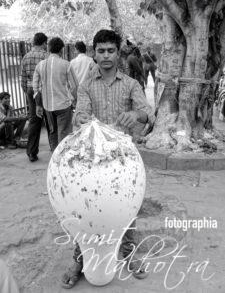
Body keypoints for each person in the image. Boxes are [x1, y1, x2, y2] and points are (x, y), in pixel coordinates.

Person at [61, 29, 155, 289]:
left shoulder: (131, 84)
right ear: (94, 54)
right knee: (85, 210)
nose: (105, 55)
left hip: (123, 163)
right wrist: (79, 120)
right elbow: (80, 115)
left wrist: (137, 116)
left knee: (128, 209)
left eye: (110, 50)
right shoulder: (86, 85)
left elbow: (149, 114)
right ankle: (80, 258)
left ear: (118, 53)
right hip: (92, 163)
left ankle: (128, 252)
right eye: (100, 51)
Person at [33, 37, 78, 151]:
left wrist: (38, 104)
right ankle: (62, 156)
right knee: (64, 132)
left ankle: (54, 154)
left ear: (48, 48)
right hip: (63, 105)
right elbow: (74, 86)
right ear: (62, 49)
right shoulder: (66, 64)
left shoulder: (40, 65)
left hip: (47, 106)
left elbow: (36, 87)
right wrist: (74, 100)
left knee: (52, 131)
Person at [21, 32, 48, 162]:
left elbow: (22, 78)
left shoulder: (25, 57)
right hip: (43, 90)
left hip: (30, 90)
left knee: (34, 120)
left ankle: (32, 152)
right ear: (44, 43)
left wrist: (28, 91)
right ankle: (54, 148)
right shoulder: (46, 56)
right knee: (49, 120)